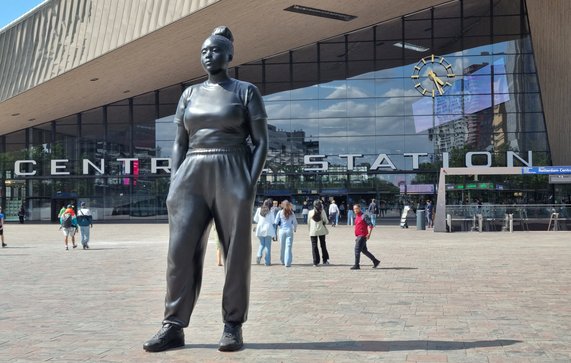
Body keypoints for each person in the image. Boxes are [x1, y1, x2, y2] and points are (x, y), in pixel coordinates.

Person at [144, 26, 268, 353]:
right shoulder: (188, 95)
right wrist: (175, 181)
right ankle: (172, 325)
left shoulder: (245, 91)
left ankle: (232, 325)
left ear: (229, 55)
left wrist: (248, 184)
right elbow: (178, 143)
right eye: (204, 51)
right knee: (179, 252)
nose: (208, 55)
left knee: (236, 252)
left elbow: (261, 142)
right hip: (192, 171)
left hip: (232, 167)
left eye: (215, 50)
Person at [350, 204, 380, 270]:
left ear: (359, 208)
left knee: (357, 250)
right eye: (354, 209)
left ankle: (356, 265)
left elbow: (371, 225)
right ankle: (375, 261)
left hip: (362, 236)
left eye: (356, 208)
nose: (355, 210)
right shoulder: (356, 216)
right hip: (358, 236)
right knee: (364, 251)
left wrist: (369, 234)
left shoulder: (364, 216)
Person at [274, 200, 297, 267]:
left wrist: (279, 224)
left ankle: (282, 260)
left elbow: (275, 222)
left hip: (281, 231)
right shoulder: (292, 213)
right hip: (289, 230)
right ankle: (288, 262)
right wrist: (295, 229)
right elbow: (295, 222)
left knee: (282, 247)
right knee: (288, 247)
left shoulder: (280, 212)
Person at [253, 199, 276, 266]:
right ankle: (267, 262)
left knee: (262, 243)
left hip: (260, 228)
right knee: (268, 246)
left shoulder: (258, 209)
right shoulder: (271, 211)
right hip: (268, 229)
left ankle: (259, 254)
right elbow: (273, 221)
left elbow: (255, 219)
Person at [307, 200, 330, 266]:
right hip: (321, 230)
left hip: (313, 231)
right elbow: (326, 221)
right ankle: (325, 260)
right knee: (323, 245)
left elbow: (308, 223)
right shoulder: (322, 211)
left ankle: (315, 261)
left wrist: (309, 230)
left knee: (314, 246)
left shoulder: (310, 212)